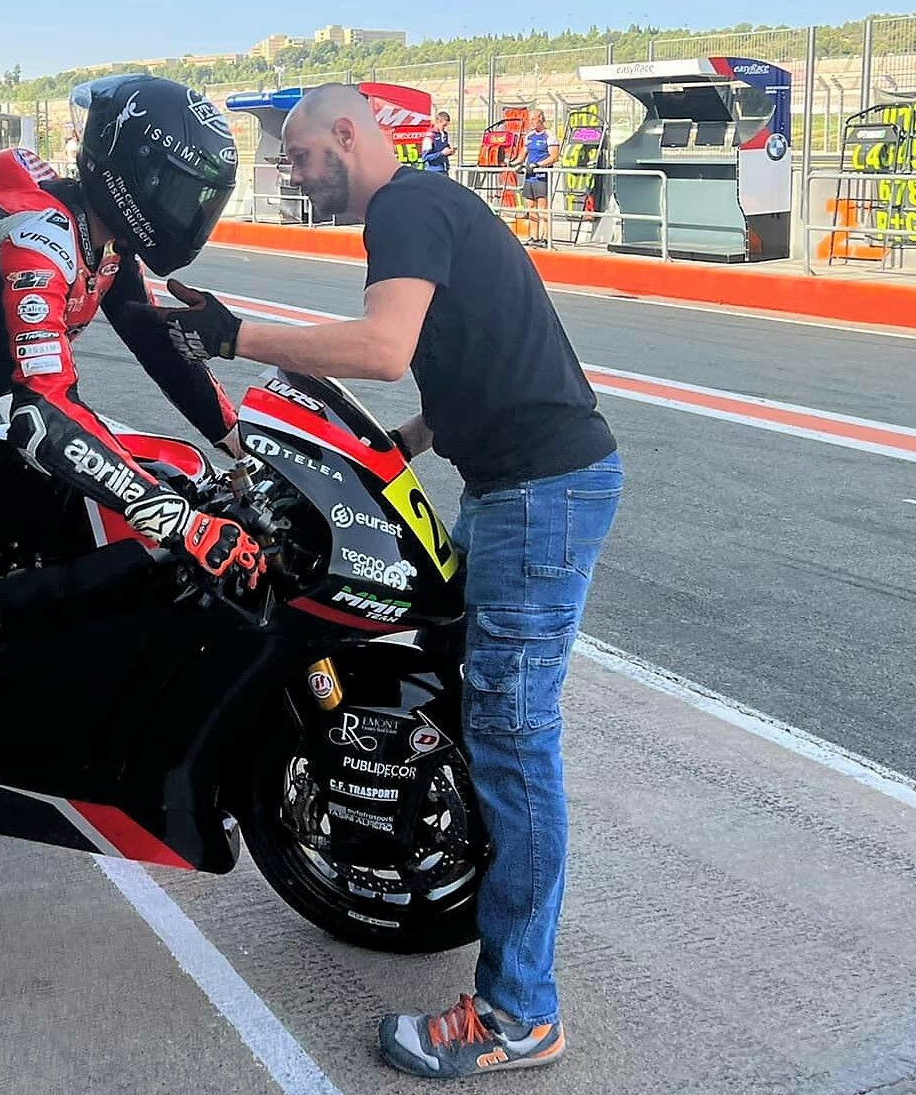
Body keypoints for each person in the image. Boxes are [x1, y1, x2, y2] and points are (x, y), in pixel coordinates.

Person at [129, 82, 619, 1080]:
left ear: (348, 136)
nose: (295, 175)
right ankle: (450, 890)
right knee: (462, 688)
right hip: (518, 482)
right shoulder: (434, 210)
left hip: (541, 493)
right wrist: (396, 447)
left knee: (513, 735)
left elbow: (387, 348)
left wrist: (234, 336)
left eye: (302, 156)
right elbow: (474, 347)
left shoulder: (404, 208)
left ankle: (519, 1010)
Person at [0, 74, 258, 998]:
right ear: (129, 171)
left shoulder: (99, 238)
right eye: (178, 188)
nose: (189, 212)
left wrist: (233, 450)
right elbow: (45, 415)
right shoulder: (40, 239)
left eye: (202, 197)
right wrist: (181, 518)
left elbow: (155, 341)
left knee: (136, 525)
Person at [514, 109, 557, 244]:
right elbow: (523, 154)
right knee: (530, 207)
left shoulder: (549, 135)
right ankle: (534, 237)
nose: (531, 122)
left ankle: (545, 238)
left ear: (541, 119)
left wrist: (538, 165)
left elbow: (554, 157)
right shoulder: (529, 136)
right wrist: (514, 162)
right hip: (530, 176)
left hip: (542, 176)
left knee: (542, 208)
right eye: (530, 119)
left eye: (534, 119)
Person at [422, 111, 454, 175]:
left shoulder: (444, 134)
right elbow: (425, 158)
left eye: (446, 125)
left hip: (444, 170)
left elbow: (444, 151)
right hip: (434, 172)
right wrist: (442, 153)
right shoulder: (430, 136)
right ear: (438, 122)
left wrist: (449, 152)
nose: (445, 128)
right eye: (444, 125)